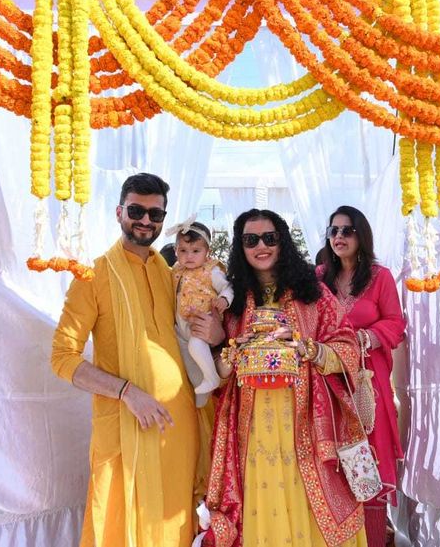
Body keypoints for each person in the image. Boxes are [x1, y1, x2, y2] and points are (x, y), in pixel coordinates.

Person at [51, 173, 225, 547]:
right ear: (119, 212)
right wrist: (127, 392)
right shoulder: (92, 275)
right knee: (121, 527)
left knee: (175, 523)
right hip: (128, 427)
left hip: (178, 431)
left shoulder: (170, 275)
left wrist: (216, 332)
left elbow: (191, 335)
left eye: (155, 214)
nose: (146, 220)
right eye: (136, 210)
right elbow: (62, 358)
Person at [203, 209, 368, 547]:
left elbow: (348, 346)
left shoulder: (312, 294)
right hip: (252, 429)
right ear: (241, 247)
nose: (260, 246)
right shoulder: (233, 303)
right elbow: (219, 374)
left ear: (282, 243)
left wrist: (307, 348)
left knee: (305, 496)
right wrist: (233, 350)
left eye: (269, 238)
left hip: (304, 422)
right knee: (263, 500)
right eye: (251, 240)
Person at [318, 206, 405, 546]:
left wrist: (365, 338)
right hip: (327, 382)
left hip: (367, 382)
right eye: (334, 230)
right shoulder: (318, 277)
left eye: (347, 231)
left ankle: (371, 538)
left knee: (368, 457)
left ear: (361, 236)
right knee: (333, 459)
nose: (339, 237)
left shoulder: (379, 277)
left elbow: (396, 323)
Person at [166, 218, 233, 405]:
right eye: (183, 251)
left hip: (203, 323)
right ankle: (198, 391)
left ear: (207, 252)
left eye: (196, 251)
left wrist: (224, 299)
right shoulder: (175, 271)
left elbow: (228, 287)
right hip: (181, 324)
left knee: (196, 347)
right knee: (186, 359)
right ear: (176, 251)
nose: (189, 256)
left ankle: (211, 378)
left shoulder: (211, 271)